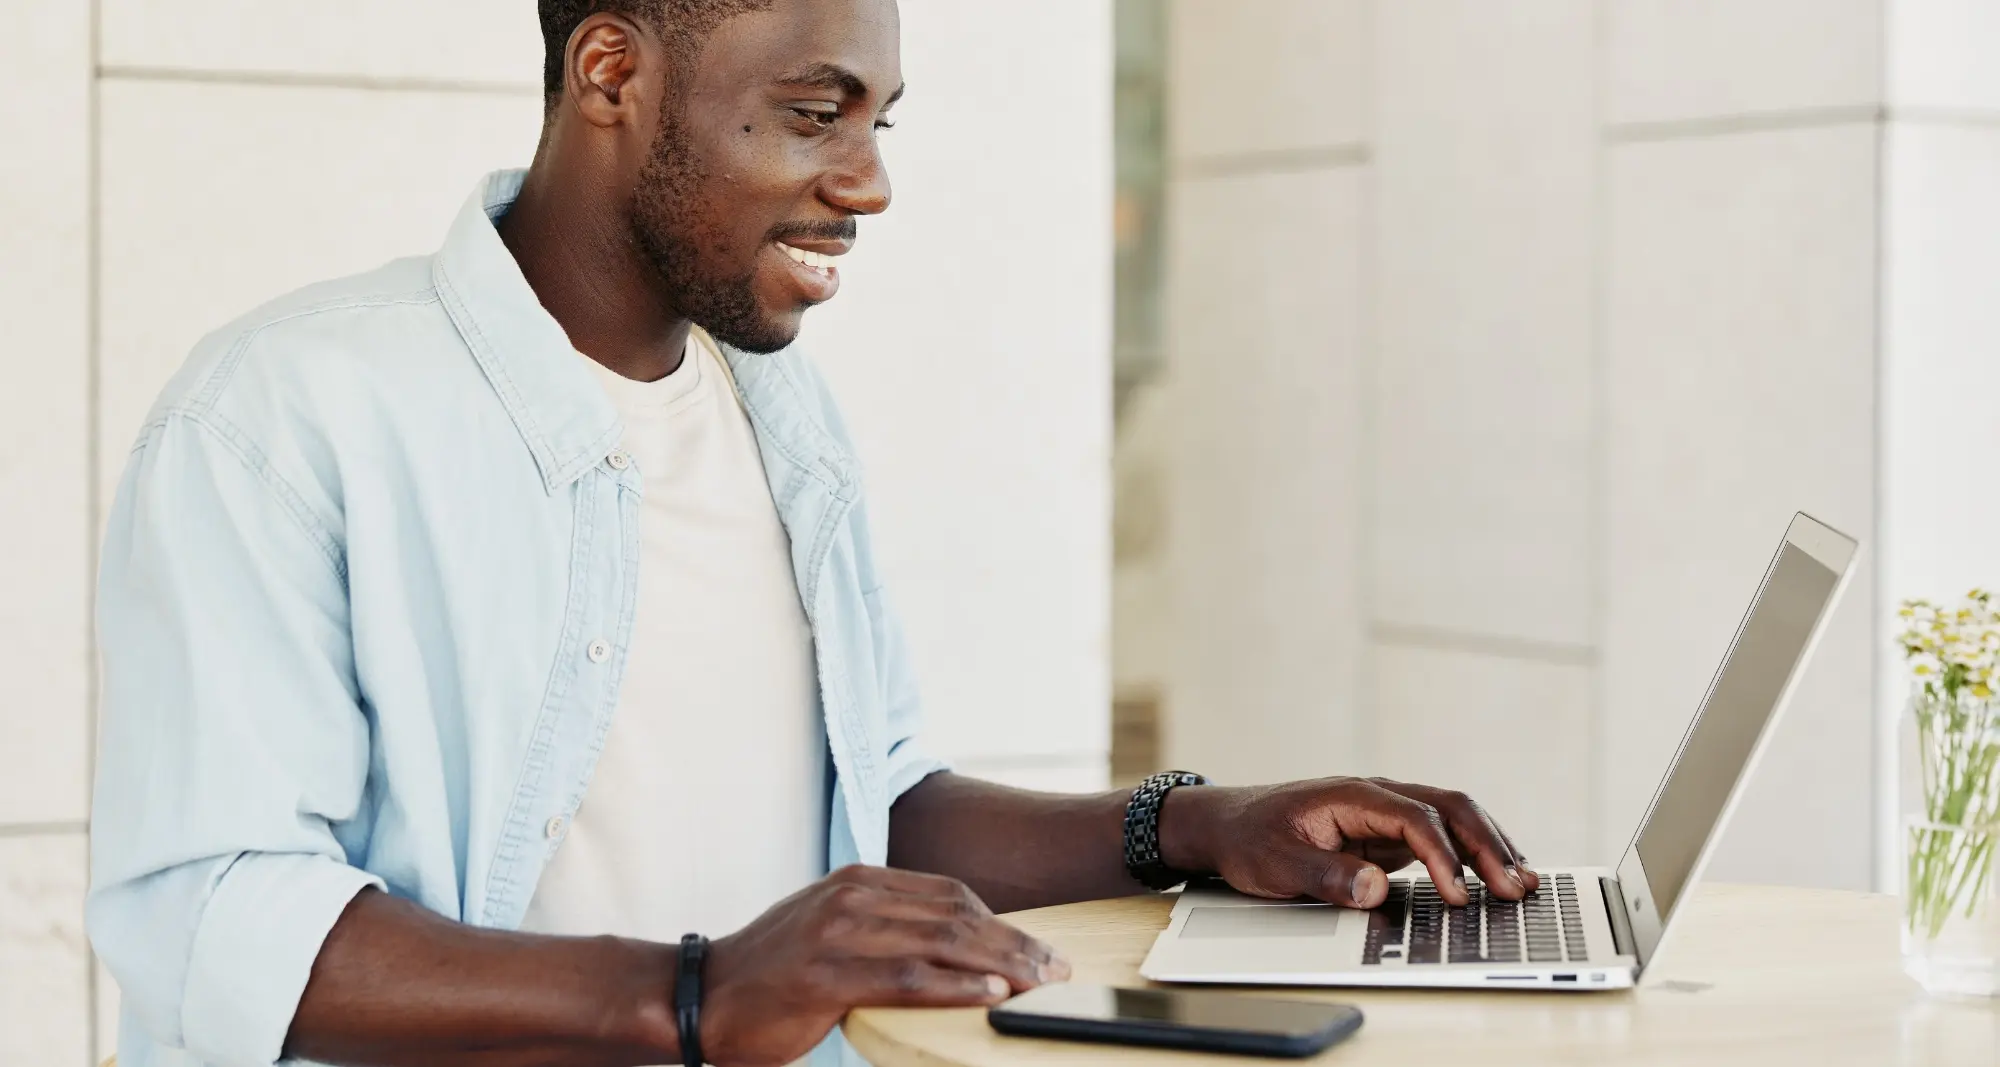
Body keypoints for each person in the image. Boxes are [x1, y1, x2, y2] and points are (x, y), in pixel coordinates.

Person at [86, 2, 1540, 1065]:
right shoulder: (280, 417)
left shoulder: (779, 411)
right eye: (811, 113)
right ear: (612, 72)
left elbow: (875, 799)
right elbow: (218, 915)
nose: (868, 180)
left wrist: (1187, 826)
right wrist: (696, 997)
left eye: (875, 122)